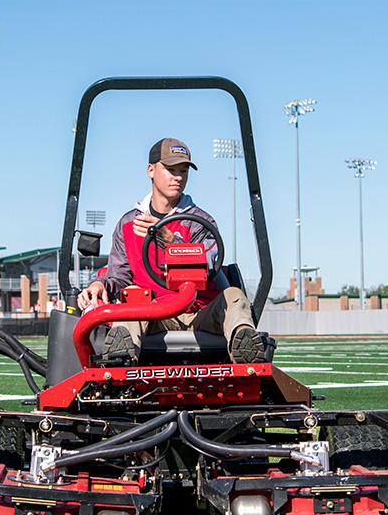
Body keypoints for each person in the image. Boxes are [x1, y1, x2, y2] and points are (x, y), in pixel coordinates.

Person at [76, 137, 265, 364]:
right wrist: (101, 284)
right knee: (131, 297)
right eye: (171, 169)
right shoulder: (128, 224)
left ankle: (245, 350)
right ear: (151, 170)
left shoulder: (201, 222)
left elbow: (207, 262)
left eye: (183, 171)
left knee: (233, 295)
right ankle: (120, 358)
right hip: (154, 312)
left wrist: (168, 239)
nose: (178, 177)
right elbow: (120, 276)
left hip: (199, 311)